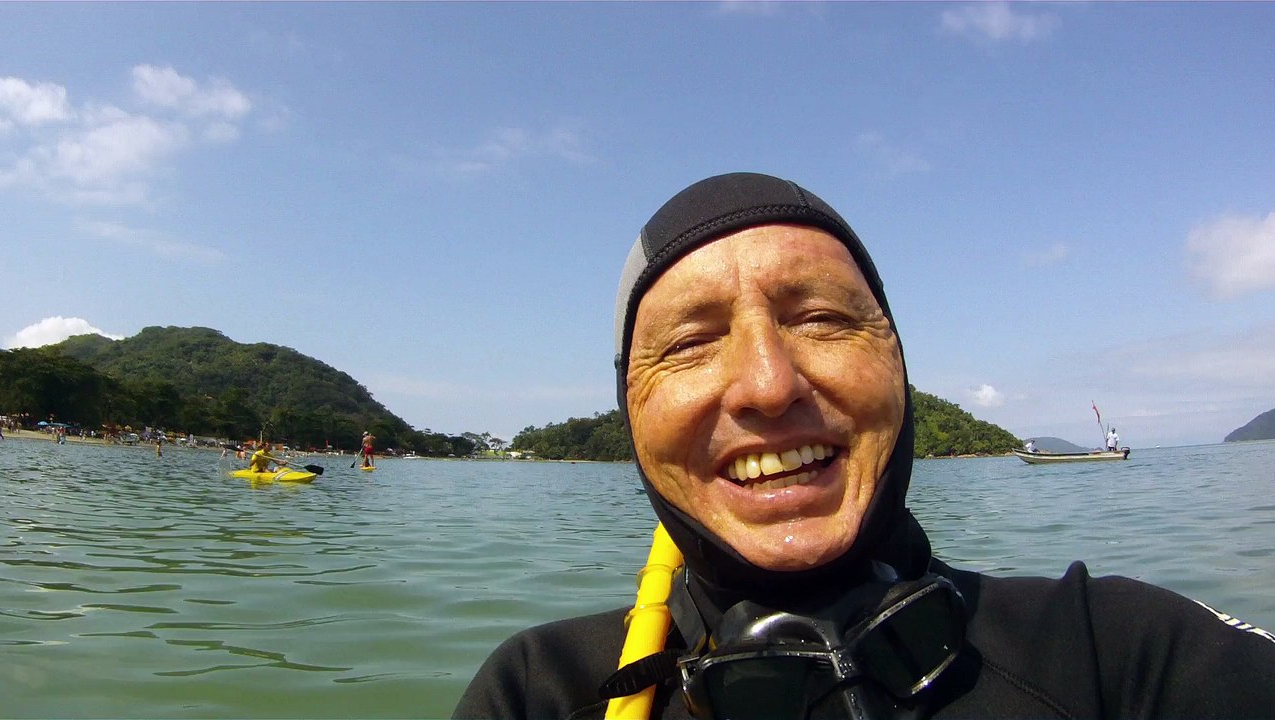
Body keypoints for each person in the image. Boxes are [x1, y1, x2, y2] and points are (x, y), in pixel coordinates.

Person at [453, 172, 1275, 719]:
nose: (767, 385)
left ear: (900, 367)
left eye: (821, 318)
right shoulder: (540, 694)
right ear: (629, 411)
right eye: (692, 342)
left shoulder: (1120, 651)